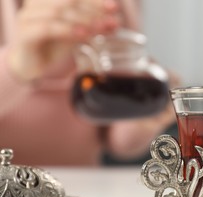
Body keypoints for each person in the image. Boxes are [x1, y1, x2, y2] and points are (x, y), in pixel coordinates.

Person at [0, 0, 177, 166]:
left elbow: (119, 143)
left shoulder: (119, 6)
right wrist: (15, 67)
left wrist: (146, 116)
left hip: (84, 190)